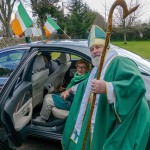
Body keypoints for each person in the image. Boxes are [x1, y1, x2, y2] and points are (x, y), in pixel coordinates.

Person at [62, 25, 150, 150]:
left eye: (98, 47)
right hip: (99, 121)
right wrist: (70, 89)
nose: (94, 51)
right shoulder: (97, 69)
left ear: (107, 47)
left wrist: (108, 87)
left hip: (112, 123)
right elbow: (86, 85)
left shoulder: (119, 61)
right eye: (92, 49)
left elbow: (136, 85)